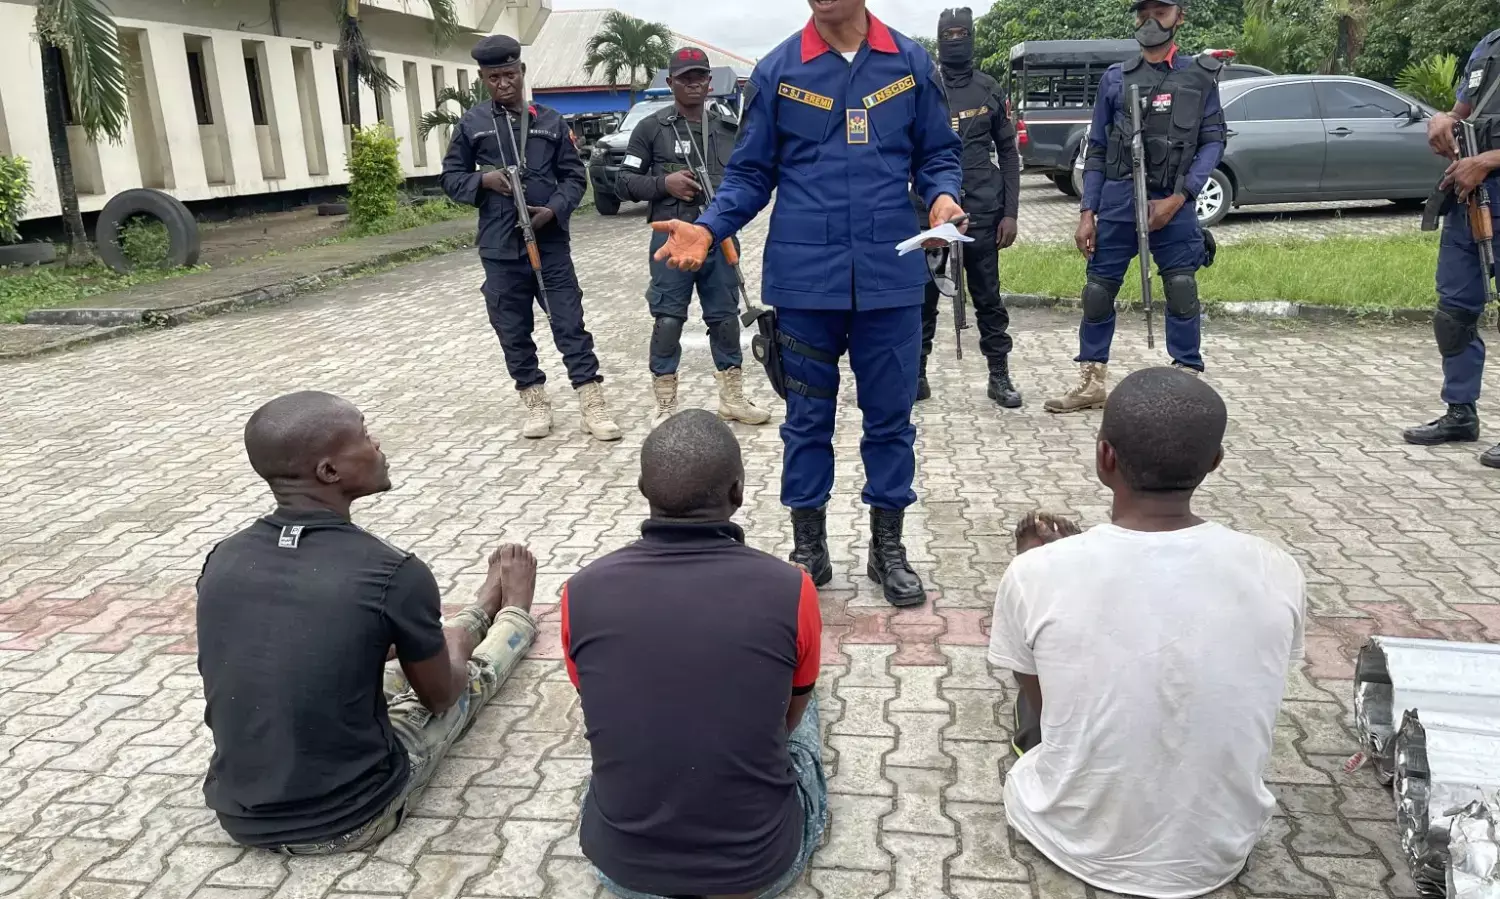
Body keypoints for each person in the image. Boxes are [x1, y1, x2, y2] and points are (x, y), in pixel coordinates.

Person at [650, 0, 966, 608]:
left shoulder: (910, 62)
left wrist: (943, 197)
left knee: (892, 423)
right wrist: (710, 227)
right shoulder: (778, 71)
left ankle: (887, 550)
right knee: (806, 424)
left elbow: (936, 155)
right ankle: (809, 549)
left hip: (889, 280)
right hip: (804, 283)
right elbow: (748, 173)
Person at [988, 367, 1306, 898]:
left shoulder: (1032, 577)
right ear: (1215, 463)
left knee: (1040, 679)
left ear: (1103, 457)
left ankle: (1067, 569)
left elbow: (1045, 702)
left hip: (1069, 834)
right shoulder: (1277, 568)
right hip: (1219, 847)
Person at [195, 391, 539, 853]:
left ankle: (475, 612)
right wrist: (454, 639)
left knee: (397, 659)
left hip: (238, 813)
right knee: (466, 676)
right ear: (329, 472)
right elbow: (441, 696)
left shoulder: (224, 558)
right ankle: (513, 614)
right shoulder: (391, 571)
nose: (377, 444)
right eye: (363, 435)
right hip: (348, 818)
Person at [561, 410, 828, 899]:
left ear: (643, 488)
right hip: (759, 870)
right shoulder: (792, 589)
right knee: (809, 710)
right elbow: (789, 715)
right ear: (738, 493)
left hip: (624, 873)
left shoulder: (580, 592)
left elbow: (591, 691)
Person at [1044, 0, 1226, 414]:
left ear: (1180, 17)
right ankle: (1091, 381)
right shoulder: (1114, 79)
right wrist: (1086, 212)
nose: (1150, 21)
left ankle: (1186, 378)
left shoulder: (1199, 77)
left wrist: (1180, 198)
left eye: (1160, 12)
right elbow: (1098, 150)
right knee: (1096, 292)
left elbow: (1213, 140)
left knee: (1181, 287)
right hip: (1117, 202)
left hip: (1173, 203)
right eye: (1143, 13)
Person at [441, 34, 621, 442]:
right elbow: (450, 180)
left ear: (521, 72)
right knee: (512, 327)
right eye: (493, 78)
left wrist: (555, 210)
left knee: (569, 322)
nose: (503, 84)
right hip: (501, 247)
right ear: (482, 79)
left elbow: (576, 178)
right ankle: (534, 400)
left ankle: (592, 402)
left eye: (509, 75)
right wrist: (484, 180)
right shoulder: (472, 125)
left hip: (550, 242)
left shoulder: (551, 121)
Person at [616, 46, 773, 428]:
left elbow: (750, 179)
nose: (693, 83)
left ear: (710, 81)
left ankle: (732, 397)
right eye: (685, 77)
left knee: (724, 319)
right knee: (668, 319)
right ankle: (665, 402)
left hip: (719, 239)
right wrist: (663, 183)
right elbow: (622, 182)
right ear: (670, 82)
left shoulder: (727, 129)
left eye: (700, 76)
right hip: (672, 241)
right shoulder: (651, 128)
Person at [913, 7, 1024, 408]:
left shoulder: (989, 88)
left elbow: (1009, 154)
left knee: (987, 296)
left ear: (972, 37)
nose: (955, 40)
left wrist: (1010, 213)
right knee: (922, 296)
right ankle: (917, 374)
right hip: (929, 211)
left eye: (963, 33)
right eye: (949, 34)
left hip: (983, 208)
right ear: (939, 39)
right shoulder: (922, 88)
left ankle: (999, 374)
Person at [1400, 27, 1500, 467]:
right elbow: (1464, 111)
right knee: (1453, 314)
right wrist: (1444, 119)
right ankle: (1461, 413)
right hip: (1471, 197)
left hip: (1483, 176)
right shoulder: (1488, 45)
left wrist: (1488, 160)